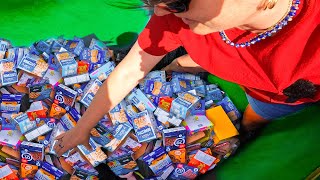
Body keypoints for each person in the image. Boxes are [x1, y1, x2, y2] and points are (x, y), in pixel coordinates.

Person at [54, 0, 319, 156]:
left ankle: (247, 127)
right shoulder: (176, 16)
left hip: (275, 96)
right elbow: (128, 70)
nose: (158, 12)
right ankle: (186, 63)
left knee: (257, 113)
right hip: (222, 59)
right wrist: (82, 128)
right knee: (190, 60)